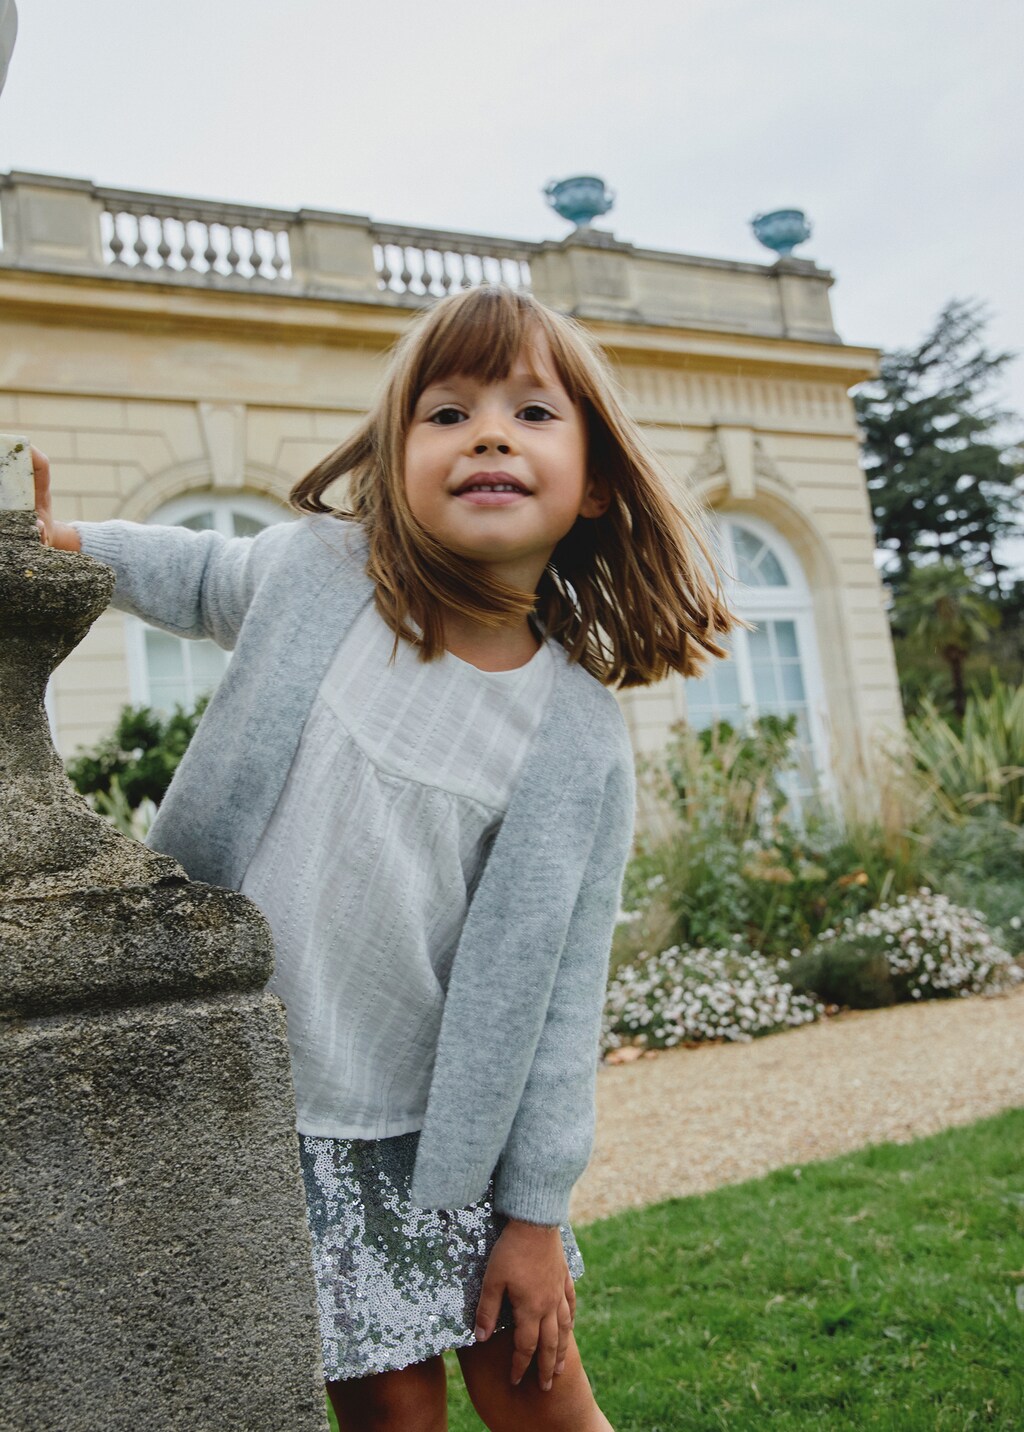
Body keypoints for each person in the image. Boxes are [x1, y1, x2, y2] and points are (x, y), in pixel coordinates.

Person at [34, 284, 735, 1432]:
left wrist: (533, 1211)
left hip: (440, 1140)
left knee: (537, 1393)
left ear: (596, 481)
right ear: (397, 458)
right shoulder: (319, 579)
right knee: (393, 1412)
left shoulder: (572, 736)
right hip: (264, 1101)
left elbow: (561, 996)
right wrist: (66, 546)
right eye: (447, 413)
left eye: (531, 414)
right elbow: (200, 571)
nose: (489, 435)